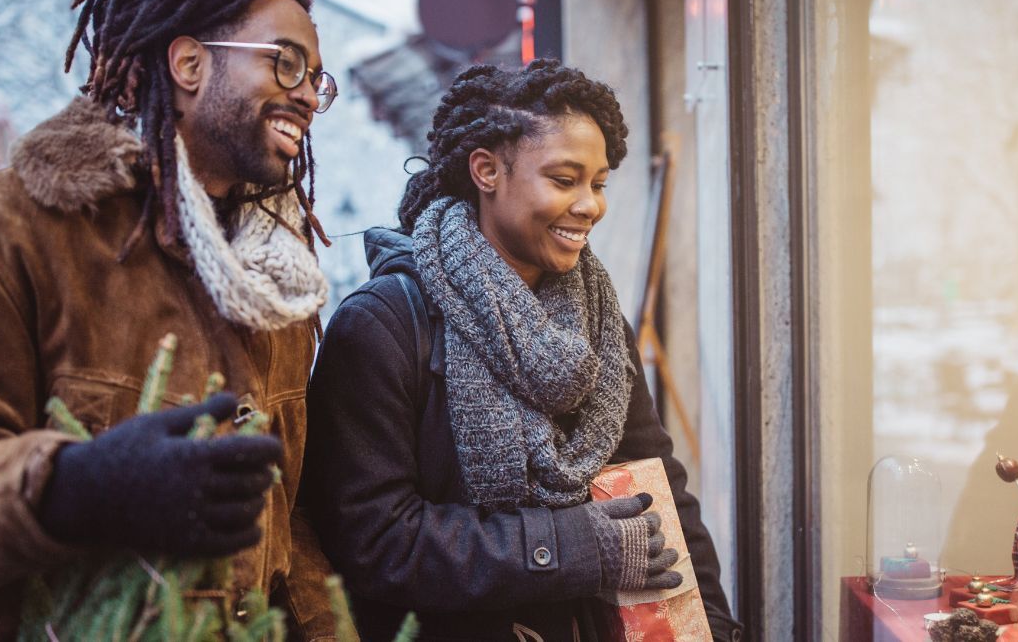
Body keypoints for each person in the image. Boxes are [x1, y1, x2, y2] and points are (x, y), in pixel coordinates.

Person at [0, 0, 339, 639]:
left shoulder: (276, 278)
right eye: (286, 64)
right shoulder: (8, 229)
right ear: (189, 63)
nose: (306, 97)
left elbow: (285, 525)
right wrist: (72, 490)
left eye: (316, 79)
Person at [302, 60, 742, 641]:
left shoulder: (598, 320)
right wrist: (571, 546)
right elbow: (374, 540)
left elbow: (657, 493)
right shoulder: (382, 325)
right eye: (564, 179)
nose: (590, 205)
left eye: (599, 182)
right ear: (486, 170)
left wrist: (710, 628)